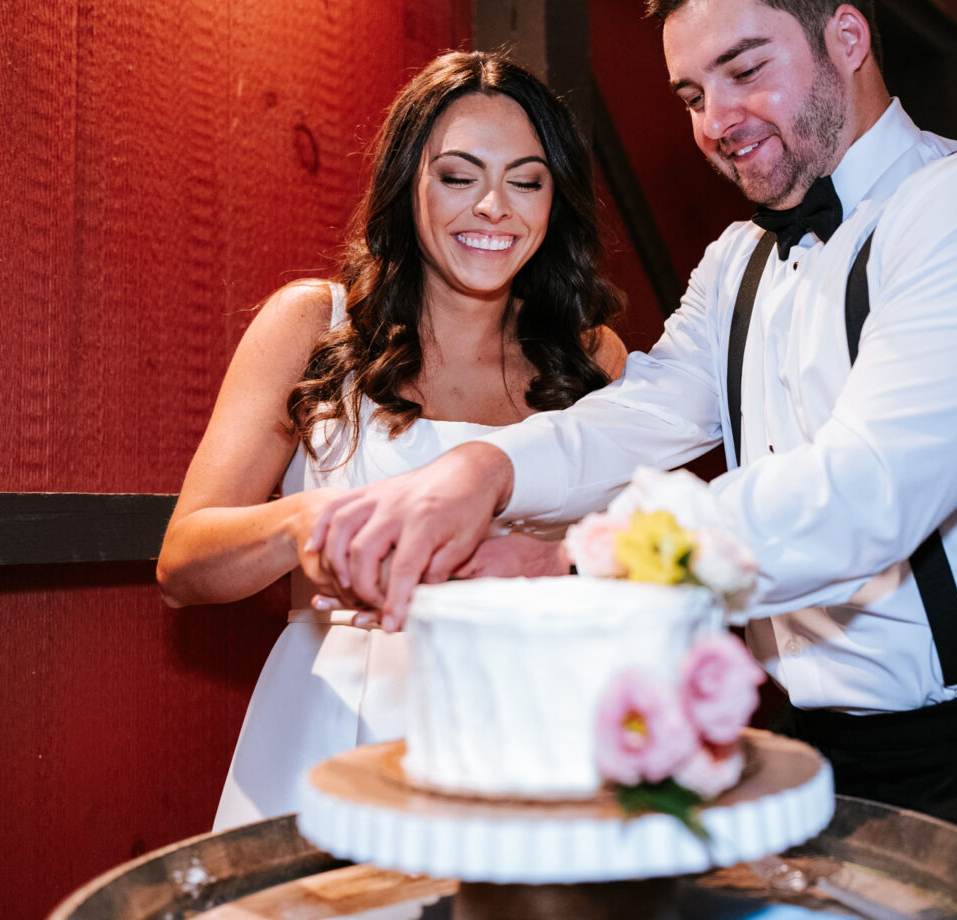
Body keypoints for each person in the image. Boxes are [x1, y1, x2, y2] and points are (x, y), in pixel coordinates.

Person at [304, 0, 957, 916]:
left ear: (846, 36)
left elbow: (867, 493)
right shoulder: (737, 262)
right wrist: (484, 473)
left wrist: (571, 560)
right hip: (822, 754)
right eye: (691, 95)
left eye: (743, 69)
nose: (717, 119)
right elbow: (640, 411)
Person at [155, 50, 626, 831]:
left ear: (556, 199)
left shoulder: (593, 357)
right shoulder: (315, 325)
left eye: (526, 180)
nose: (493, 208)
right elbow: (183, 565)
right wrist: (309, 523)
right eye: (458, 176)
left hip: (539, 728)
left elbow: (628, 557)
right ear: (408, 183)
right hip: (339, 724)